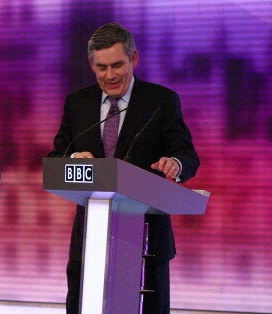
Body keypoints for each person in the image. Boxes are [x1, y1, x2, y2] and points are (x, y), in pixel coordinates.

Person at [48, 22, 199, 314]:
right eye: (101, 67)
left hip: (146, 236)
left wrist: (175, 163)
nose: (110, 75)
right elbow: (57, 156)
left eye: (117, 65)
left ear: (134, 59)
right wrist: (73, 159)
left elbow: (187, 154)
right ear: (91, 64)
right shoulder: (77, 103)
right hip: (91, 236)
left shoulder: (161, 101)